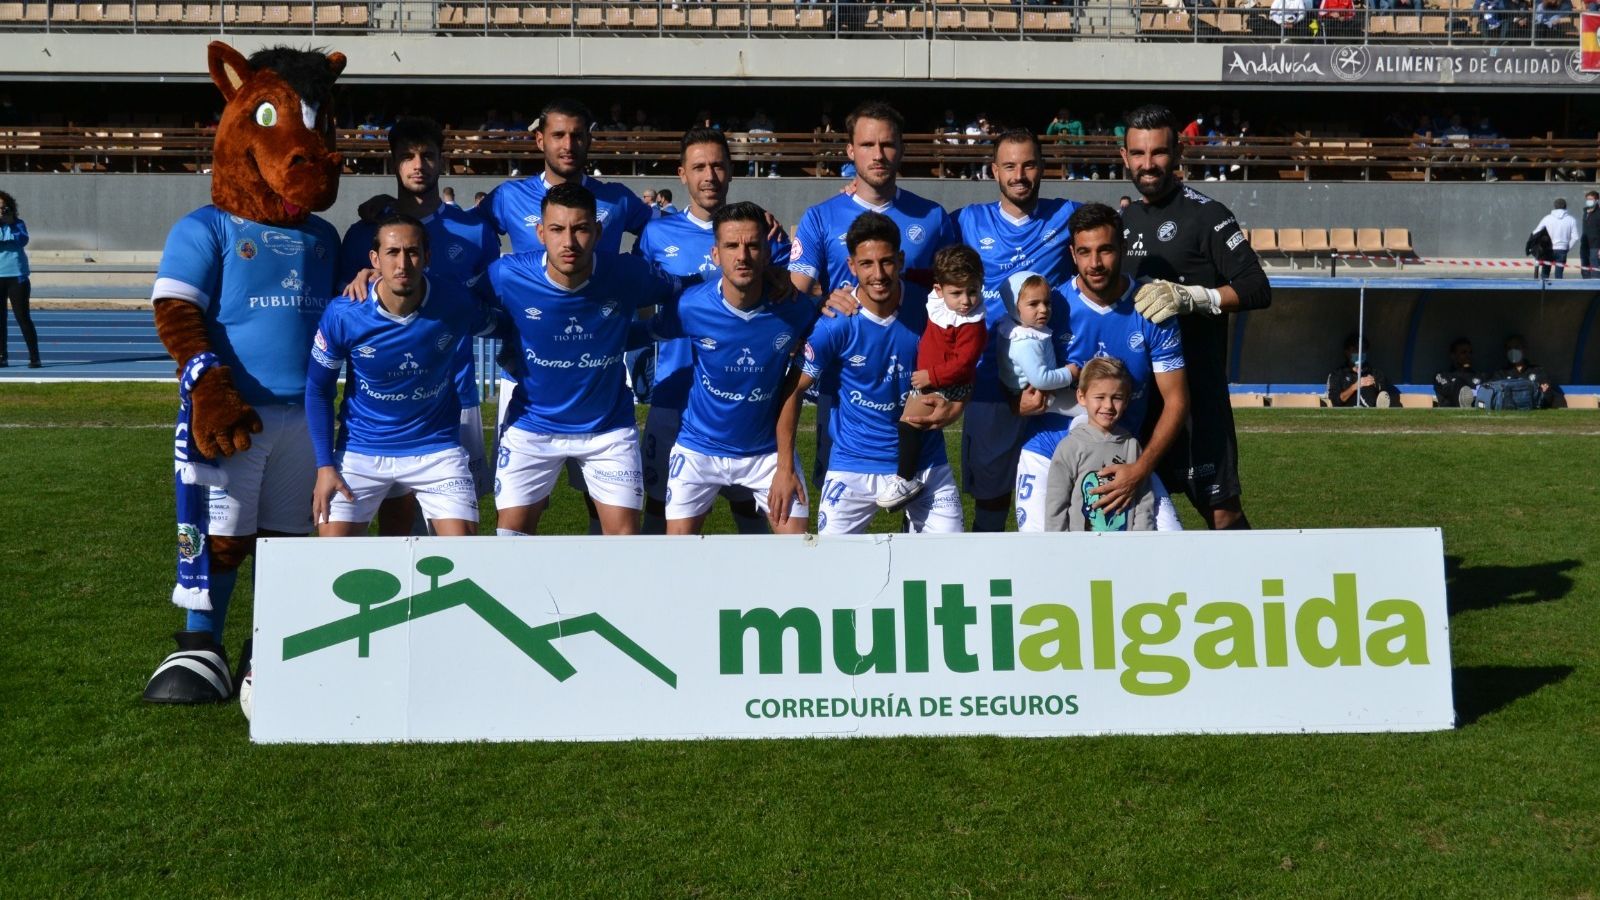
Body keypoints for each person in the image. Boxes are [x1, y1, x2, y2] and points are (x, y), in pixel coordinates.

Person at [470, 98, 653, 536]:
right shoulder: (509, 196)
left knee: (602, 504)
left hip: (600, 370)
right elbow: (459, 231)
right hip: (530, 372)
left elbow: (666, 234)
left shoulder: (616, 199)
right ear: (540, 140)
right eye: (558, 135)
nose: (568, 144)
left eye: (577, 134)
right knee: (522, 513)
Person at [486, 183, 697, 536]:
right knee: (510, 539)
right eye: (556, 229)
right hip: (532, 426)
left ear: (598, 231)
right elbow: (443, 297)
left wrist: (761, 275)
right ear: (540, 232)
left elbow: (691, 287)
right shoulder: (508, 274)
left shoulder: (628, 273)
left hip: (607, 430)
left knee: (625, 543)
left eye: (580, 228)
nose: (568, 242)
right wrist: (373, 281)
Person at [337, 118, 500, 533]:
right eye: (407, 156)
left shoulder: (475, 231)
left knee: (458, 528)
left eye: (427, 155)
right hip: (384, 409)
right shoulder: (364, 234)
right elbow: (345, 313)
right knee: (396, 524)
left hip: (456, 398)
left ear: (442, 160)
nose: (418, 164)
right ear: (392, 163)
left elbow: (490, 307)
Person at [788, 101, 961, 485]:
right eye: (867, 145)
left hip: (917, 371)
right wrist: (822, 302)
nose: (878, 154)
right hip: (847, 376)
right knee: (842, 486)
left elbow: (952, 293)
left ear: (901, 149)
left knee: (917, 483)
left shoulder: (932, 217)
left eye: (887, 144)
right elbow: (796, 293)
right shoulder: (821, 216)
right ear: (850, 151)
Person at [1118, 104, 1271, 531]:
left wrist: (1195, 297)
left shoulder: (1208, 214)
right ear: (1124, 156)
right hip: (1139, 397)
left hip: (1196, 397)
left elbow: (1258, 288)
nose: (1148, 165)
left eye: (1159, 153)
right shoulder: (1124, 220)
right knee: (1133, 511)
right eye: (1139, 154)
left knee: (1221, 512)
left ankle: (1252, 593)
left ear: (1178, 152)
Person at [633, 128, 792, 536]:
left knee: (755, 512)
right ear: (682, 174)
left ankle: (761, 595)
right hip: (674, 393)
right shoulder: (656, 234)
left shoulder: (764, 235)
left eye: (718, 165)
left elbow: (789, 296)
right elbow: (642, 305)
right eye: (699, 166)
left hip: (746, 403)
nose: (710, 176)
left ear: (731, 171)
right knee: (660, 507)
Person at [307, 216, 501, 537]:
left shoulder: (453, 302)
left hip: (435, 447)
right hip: (361, 449)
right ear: (374, 260)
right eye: (392, 252)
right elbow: (317, 389)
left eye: (412, 252)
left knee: (464, 548)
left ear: (427, 257)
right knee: (333, 552)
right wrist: (325, 466)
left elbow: (502, 326)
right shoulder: (344, 313)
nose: (402, 263)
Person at [771, 212, 964, 535]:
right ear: (851, 266)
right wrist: (784, 467)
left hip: (925, 463)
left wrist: (960, 403)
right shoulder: (836, 320)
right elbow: (792, 389)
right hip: (853, 466)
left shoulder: (932, 307)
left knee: (951, 568)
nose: (878, 274)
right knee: (831, 574)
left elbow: (966, 357)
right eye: (867, 264)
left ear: (901, 260)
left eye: (887, 262)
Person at [1013, 203, 1188, 534]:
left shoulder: (1151, 308)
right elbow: (1011, 378)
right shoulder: (1052, 306)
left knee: (1171, 547)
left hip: (1122, 458)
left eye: (1105, 250)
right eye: (1085, 252)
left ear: (1122, 248)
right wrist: (1015, 402)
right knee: (1043, 560)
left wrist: (1140, 469)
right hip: (1048, 454)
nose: (1094, 263)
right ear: (1072, 254)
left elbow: (1177, 401)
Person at [648, 202, 815, 535]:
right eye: (732, 246)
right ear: (715, 254)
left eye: (753, 245)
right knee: (675, 555)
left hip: (766, 452)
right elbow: (646, 331)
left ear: (768, 254)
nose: (743, 255)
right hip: (699, 448)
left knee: (799, 552)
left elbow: (832, 323)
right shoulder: (689, 306)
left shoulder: (794, 308)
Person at [953, 128, 1081, 532]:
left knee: (1059, 505)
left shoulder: (1068, 217)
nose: (1019, 174)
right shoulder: (965, 222)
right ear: (994, 170)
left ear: (1042, 167)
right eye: (1009, 165)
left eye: (1028, 164)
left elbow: (1117, 234)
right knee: (990, 505)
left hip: (1051, 392)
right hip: (989, 387)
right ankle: (984, 587)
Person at [877, 245, 986, 512]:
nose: (966, 301)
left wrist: (932, 376)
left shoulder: (973, 324)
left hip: (949, 386)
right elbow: (930, 276)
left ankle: (906, 480)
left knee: (908, 424)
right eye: (957, 293)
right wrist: (908, 274)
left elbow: (964, 364)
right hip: (934, 381)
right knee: (908, 423)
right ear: (940, 290)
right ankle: (909, 474)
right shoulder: (938, 298)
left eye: (972, 291)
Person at [1042, 357, 1157, 533]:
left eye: (1117, 397)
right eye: (1100, 397)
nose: (1108, 405)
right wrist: (1061, 547)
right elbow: (1055, 505)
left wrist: (1141, 541)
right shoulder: (1069, 447)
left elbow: (1144, 501)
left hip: (1125, 551)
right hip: (1081, 552)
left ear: (1126, 401)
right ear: (1082, 397)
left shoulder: (1132, 446)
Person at [0, 189, 39, 368]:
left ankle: (34, 356)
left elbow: (23, 241)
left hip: (16, 276)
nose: (1, 211)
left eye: (4, 208)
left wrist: (12, 225)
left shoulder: (18, 224)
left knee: (22, 317)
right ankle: (2, 356)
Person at [1327, 334, 1399, 408]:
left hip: (1371, 415)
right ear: (1346, 352)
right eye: (1355, 349)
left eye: (1363, 350)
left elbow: (1384, 395)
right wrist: (1354, 387)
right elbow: (1336, 401)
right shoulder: (1337, 374)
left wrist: (1375, 385)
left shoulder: (1375, 373)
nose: (1359, 353)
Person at [1491, 335, 1565, 408]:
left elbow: (1546, 395)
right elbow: (1493, 394)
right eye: (1509, 348)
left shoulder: (1538, 371)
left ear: (1524, 349)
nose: (1513, 351)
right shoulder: (1501, 374)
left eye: (1517, 347)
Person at [1532, 198, 1581, 279]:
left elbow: (1536, 232)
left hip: (1548, 249)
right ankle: (1558, 290)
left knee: (1545, 273)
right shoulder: (1571, 220)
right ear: (1565, 207)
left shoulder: (1547, 218)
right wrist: (1567, 247)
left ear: (1554, 206)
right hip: (1562, 249)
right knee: (1559, 275)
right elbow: (1575, 237)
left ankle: (1544, 290)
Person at [1434, 338, 1484, 408]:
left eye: (1470, 352)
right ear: (1453, 356)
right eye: (1463, 352)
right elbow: (1448, 390)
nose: (1468, 356)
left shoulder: (1480, 376)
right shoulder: (1443, 376)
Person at [1580, 191, 1599, 280]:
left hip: (1595, 245)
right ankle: (1585, 287)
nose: (1588, 201)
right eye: (1587, 199)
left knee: (1595, 268)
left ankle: (1595, 289)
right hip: (1584, 244)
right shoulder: (1585, 211)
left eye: (1591, 199)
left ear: (1596, 200)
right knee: (1584, 267)